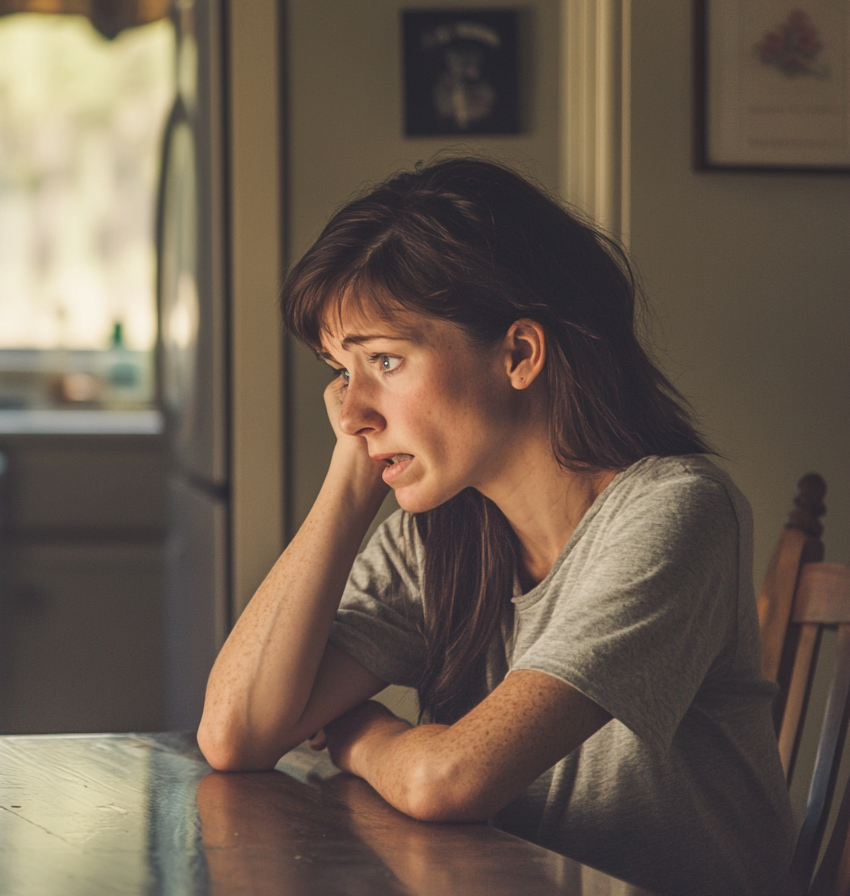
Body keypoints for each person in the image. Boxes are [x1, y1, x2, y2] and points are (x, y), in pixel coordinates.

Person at [196, 158, 795, 895]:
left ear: (519, 354)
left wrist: (359, 732)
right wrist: (349, 485)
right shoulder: (441, 532)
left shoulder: (676, 510)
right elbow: (236, 733)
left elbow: (450, 781)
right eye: (340, 373)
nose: (351, 413)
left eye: (385, 359)